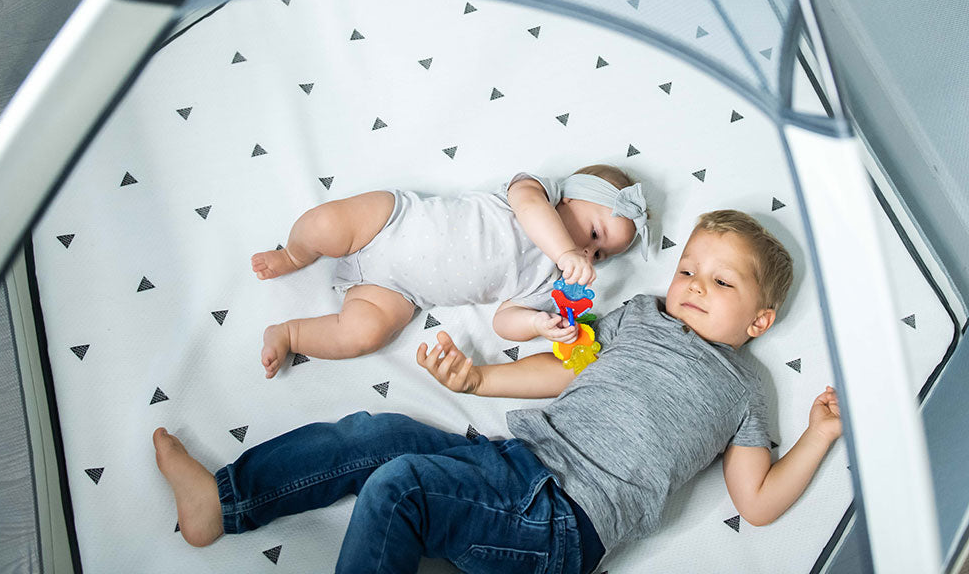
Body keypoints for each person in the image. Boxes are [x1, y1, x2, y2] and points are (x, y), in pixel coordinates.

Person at [153, 209, 842, 574]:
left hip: (565, 523)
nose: (692, 286)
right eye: (690, 268)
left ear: (759, 321)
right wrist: (481, 380)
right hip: (513, 463)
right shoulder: (640, 314)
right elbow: (569, 367)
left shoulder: (744, 387)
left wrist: (818, 436)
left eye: (721, 283)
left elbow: (755, 502)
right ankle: (223, 500)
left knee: (402, 485)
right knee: (380, 435)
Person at [249, 164, 649, 377]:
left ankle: (290, 334)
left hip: (399, 292)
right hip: (390, 220)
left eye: (599, 255)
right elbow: (531, 209)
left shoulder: (552, 281)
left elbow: (504, 322)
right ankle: (295, 256)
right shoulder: (538, 193)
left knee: (363, 334)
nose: (588, 251)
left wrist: (537, 325)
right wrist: (564, 250)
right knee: (324, 225)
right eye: (595, 233)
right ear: (571, 196)